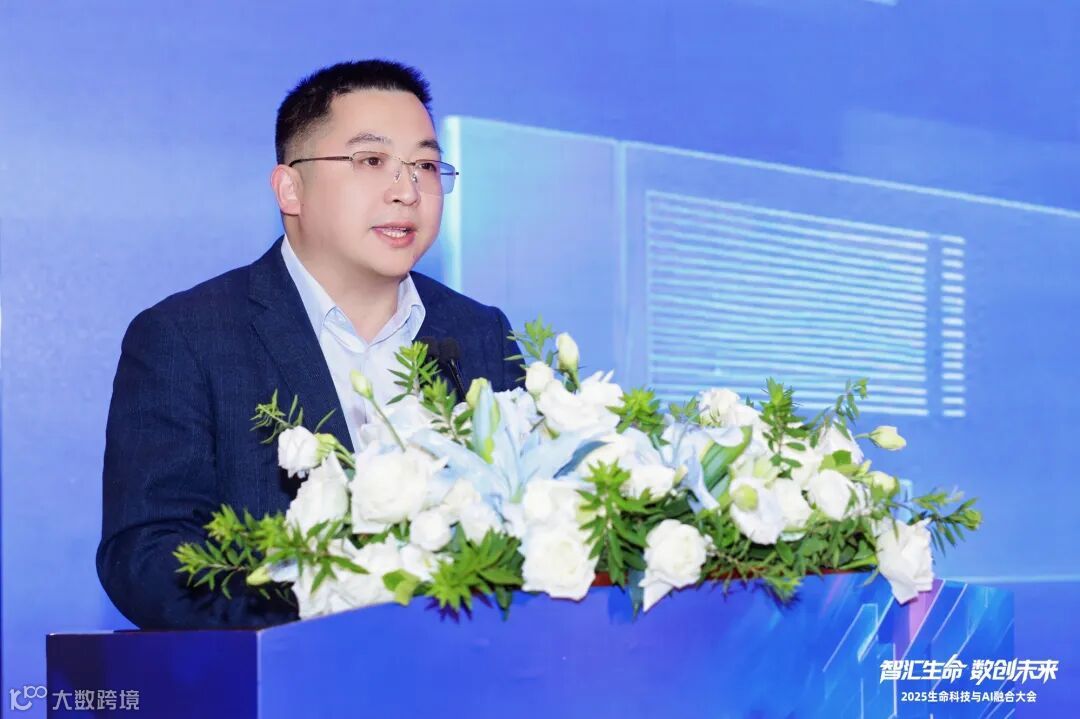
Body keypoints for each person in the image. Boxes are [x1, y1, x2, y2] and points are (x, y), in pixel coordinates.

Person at [96, 60, 523, 630]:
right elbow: (145, 554)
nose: (408, 191)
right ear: (290, 188)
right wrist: (316, 611)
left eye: (424, 165)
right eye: (371, 161)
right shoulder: (189, 337)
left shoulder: (480, 334)